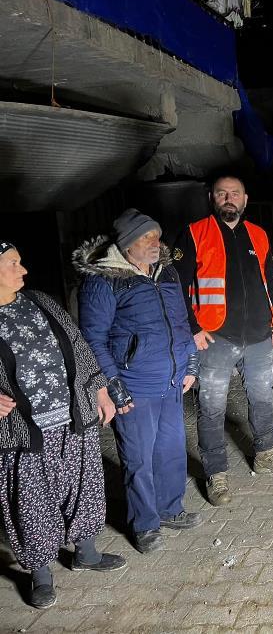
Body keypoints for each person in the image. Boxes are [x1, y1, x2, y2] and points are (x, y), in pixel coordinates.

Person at [0, 241, 125, 609]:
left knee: (82, 485)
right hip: (23, 429)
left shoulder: (40, 300)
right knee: (31, 500)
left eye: (20, 262)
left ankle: (85, 552)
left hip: (73, 415)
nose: (22, 270)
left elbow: (77, 344)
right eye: (12, 264)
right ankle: (40, 574)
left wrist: (100, 389)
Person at [74, 209, 202, 554]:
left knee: (172, 450)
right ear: (127, 243)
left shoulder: (167, 273)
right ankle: (144, 524)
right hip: (134, 386)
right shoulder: (104, 280)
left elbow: (181, 320)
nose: (155, 243)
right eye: (146, 237)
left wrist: (191, 362)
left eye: (157, 236)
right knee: (138, 459)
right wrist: (113, 385)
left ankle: (170, 508)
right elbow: (93, 339)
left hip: (172, 380)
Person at [174, 175, 273, 507]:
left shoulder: (258, 234)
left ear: (245, 199)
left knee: (262, 398)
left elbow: (269, 282)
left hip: (258, 334)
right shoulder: (194, 233)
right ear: (211, 198)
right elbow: (178, 288)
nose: (229, 198)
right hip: (215, 337)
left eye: (235, 194)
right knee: (211, 407)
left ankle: (266, 452)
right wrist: (192, 329)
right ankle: (216, 473)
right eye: (222, 193)